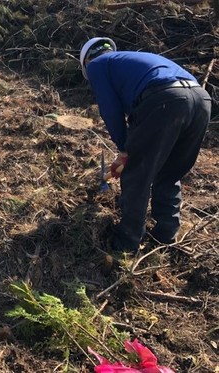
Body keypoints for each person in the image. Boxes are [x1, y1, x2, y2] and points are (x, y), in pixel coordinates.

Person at [80, 37, 211, 252]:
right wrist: (129, 151)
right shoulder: (133, 62)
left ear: (86, 62)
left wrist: (124, 149)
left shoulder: (96, 65)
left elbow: (110, 111)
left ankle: (127, 243)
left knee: (136, 176)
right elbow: (140, 116)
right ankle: (165, 236)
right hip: (200, 100)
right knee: (169, 173)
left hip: (166, 100)